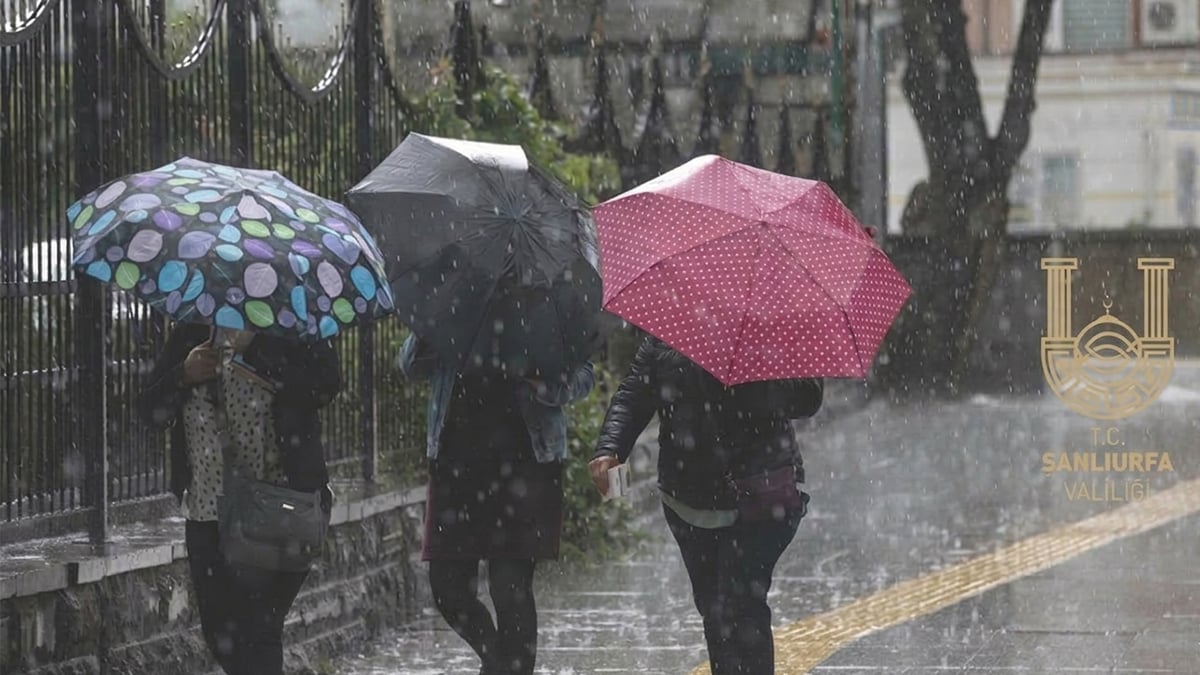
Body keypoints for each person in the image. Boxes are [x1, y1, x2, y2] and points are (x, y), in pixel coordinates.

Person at [589, 335, 823, 675]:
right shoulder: (667, 332)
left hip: (760, 493)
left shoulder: (772, 327)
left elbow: (809, 396)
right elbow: (634, 395)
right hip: (688, 497)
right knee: (714, 609)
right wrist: (609, 447)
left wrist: (752, 377)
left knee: (743, 604)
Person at [139, 322, 341, 675]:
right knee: (221, 635)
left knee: (259, 630)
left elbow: (326, 385)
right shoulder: (193, 333)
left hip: (279, 509)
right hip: (207, 512)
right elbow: (148, 409)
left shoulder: (293, 325)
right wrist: (182, 374)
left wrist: (258, 355)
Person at [399, 333, 594, 675]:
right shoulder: (455, 296)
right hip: (456, 465)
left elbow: (582, 376)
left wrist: (541, 383)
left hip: (527, 463)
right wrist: (427, 325)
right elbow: (411, 366)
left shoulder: (543, 296)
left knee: (510, 589)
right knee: (447, 589)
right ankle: (499, 665)